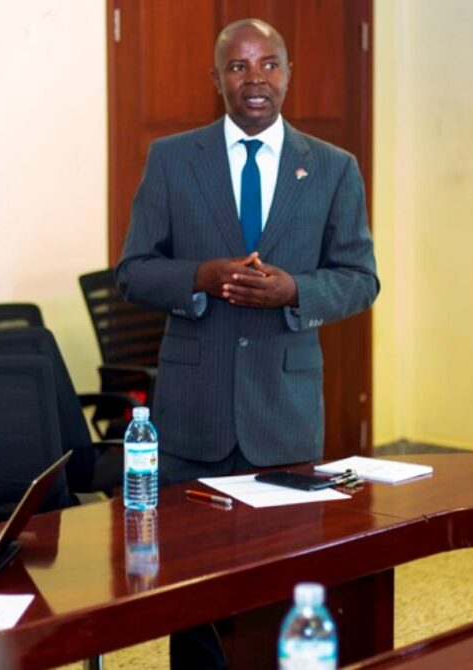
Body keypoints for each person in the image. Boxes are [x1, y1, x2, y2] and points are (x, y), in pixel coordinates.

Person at [115, 18, 379, 668]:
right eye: (238, 67)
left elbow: (360, 279)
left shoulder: (333, 167)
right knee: (194, 599)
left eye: (268, 64)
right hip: (192, 412)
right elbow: (133, 270)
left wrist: (295, 291)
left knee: (278, 589)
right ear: (216, 80)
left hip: (283, 413)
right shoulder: (174, 159)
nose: (254, 79)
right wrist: (199, 277)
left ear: (287, 74)